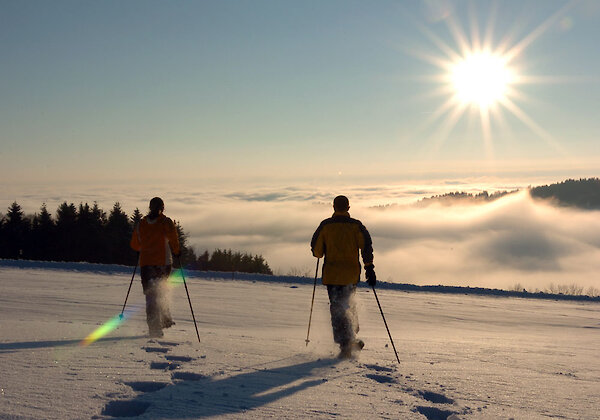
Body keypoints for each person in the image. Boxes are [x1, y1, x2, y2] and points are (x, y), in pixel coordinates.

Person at [311, 195, 376, 359]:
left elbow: (316, 251)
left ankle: (345, 344)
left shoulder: (326, 225)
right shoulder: (356, 226)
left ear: (333, 207)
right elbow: (366, 246)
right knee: (349, 305)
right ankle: (351, 338)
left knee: (337, 309)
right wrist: (369, 268)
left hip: (332, 275)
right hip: (350, 275)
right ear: (348, 207)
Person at [130, 197, 181, 338]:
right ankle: (165, 318)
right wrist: (177, 251)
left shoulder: (141, 224)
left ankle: (154, 327)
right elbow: (173, 239)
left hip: (146, 263)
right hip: (163, 263)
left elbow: (135, 244)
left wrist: (143, 247)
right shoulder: (166, 222)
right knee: (162, 290)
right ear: (163, 208)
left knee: (151, 295)